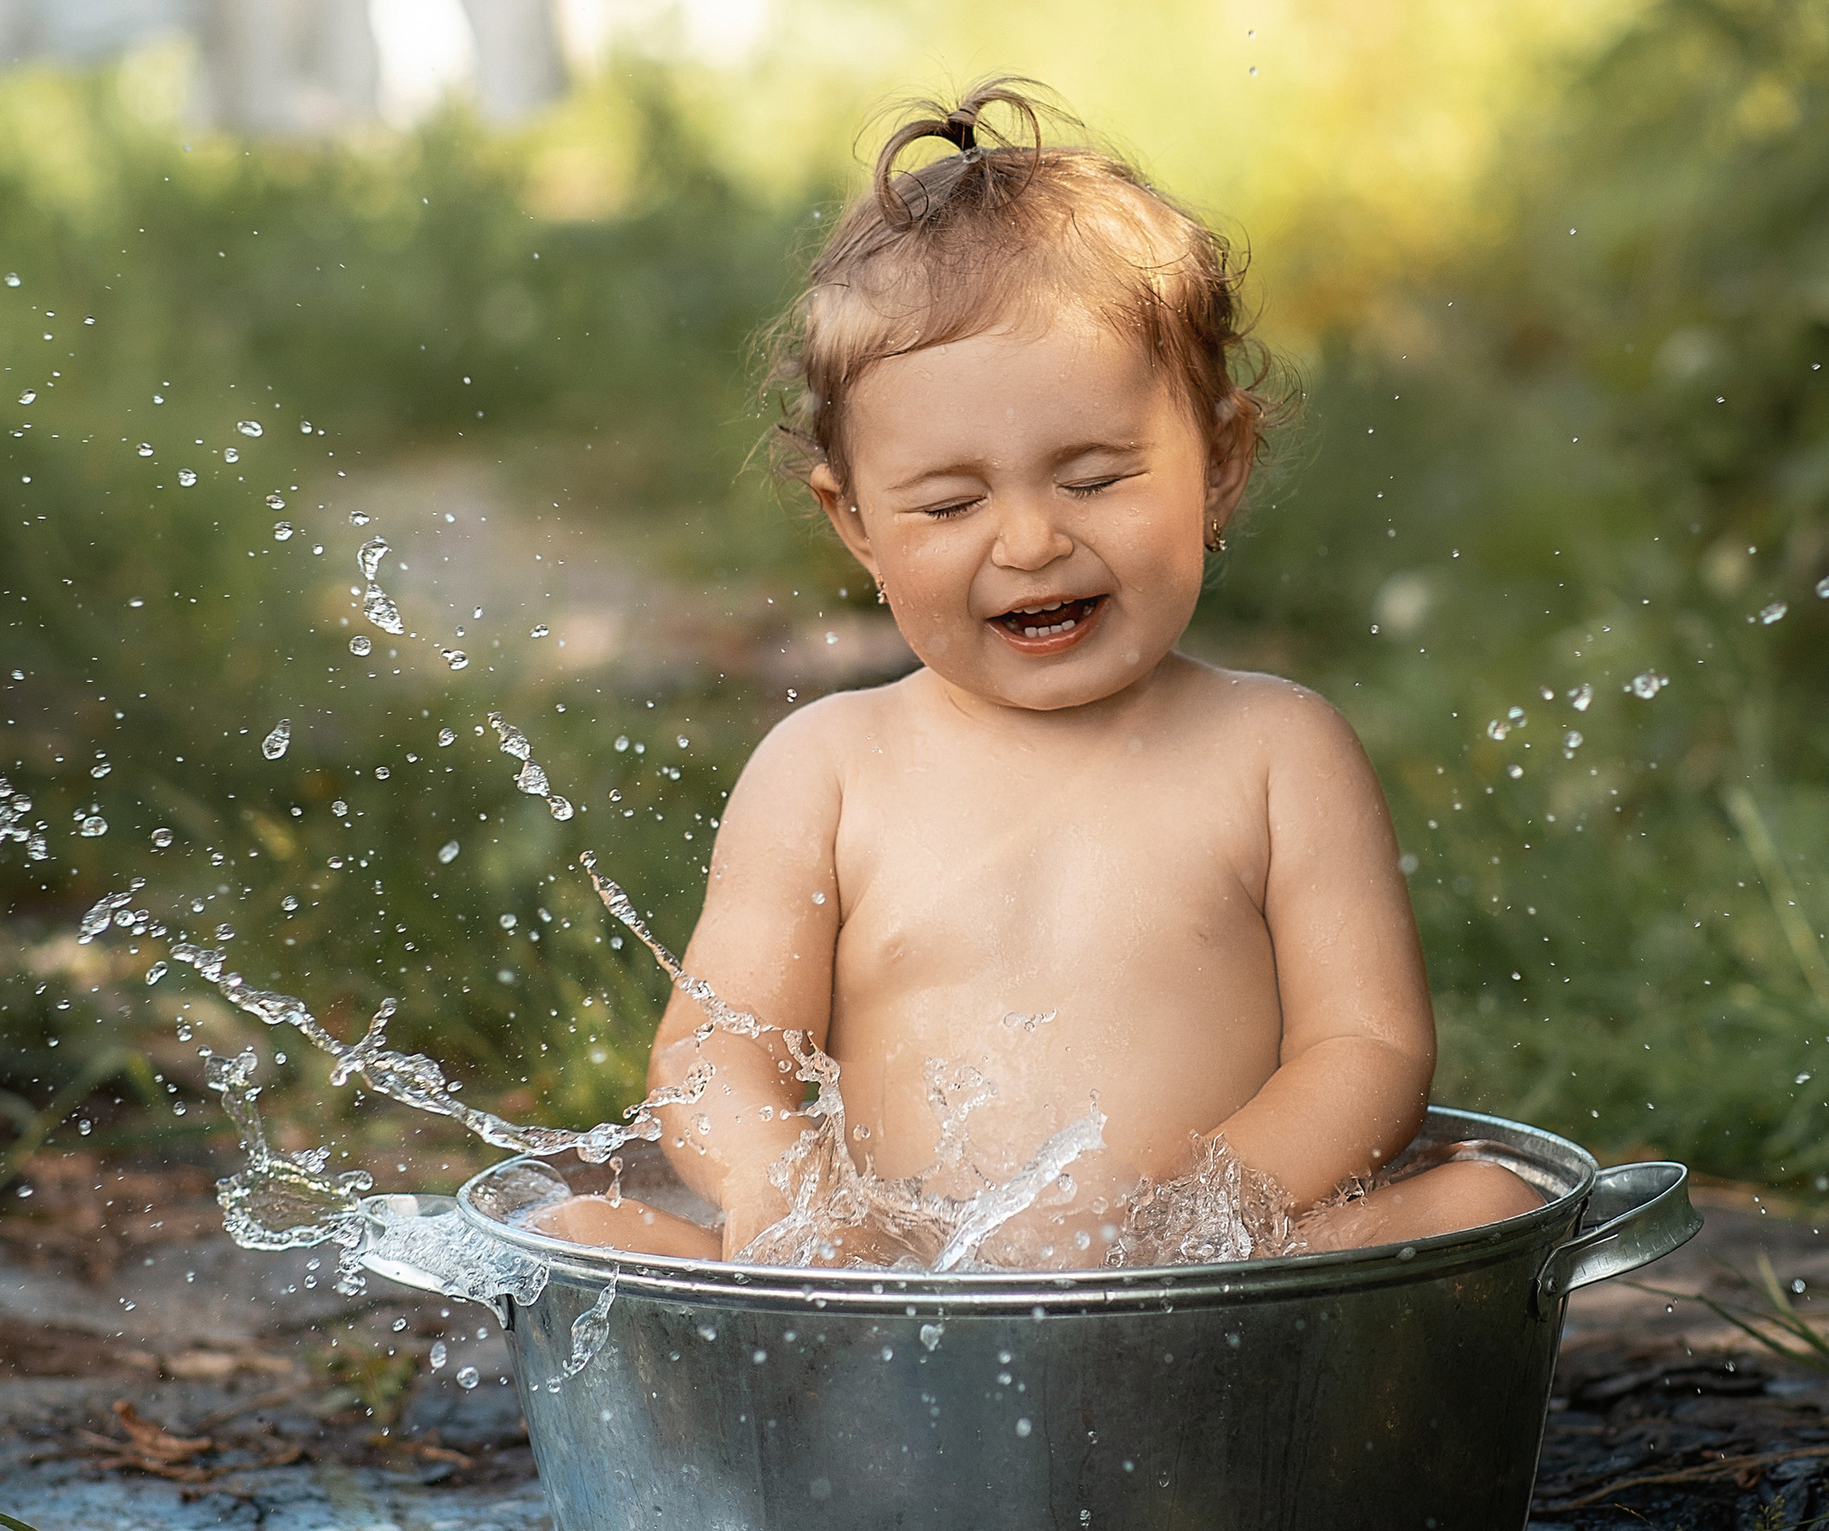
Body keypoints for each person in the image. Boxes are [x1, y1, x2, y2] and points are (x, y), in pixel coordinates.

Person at [539, 81, 1536, 1266]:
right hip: (907, 1289)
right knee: (577, 1230)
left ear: (1219, 462)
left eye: (1093, 478)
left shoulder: (1274, 747)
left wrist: (1204, 1216)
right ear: (855, 522)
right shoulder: (827, 768)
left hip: (1203, 1279)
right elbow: (715, 1053)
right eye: (949, 503)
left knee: (1487, 1203)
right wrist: (784, 1194)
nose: (1028, 540)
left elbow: (1368, 1048)